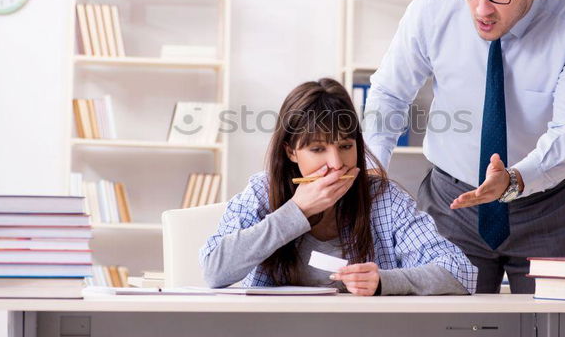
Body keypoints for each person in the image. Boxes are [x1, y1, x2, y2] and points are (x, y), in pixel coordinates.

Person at [362, 0, 565, 296]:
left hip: (547, 209)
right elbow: (389, 93)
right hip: (452, 206)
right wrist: (373, 170)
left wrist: (512, 180)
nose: (482, 9)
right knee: (443, 334)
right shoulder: (433, 6)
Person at [199, 78, 477, 295]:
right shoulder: (262, 192)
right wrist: (295, 211)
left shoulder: (383, 198)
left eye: (345, 146)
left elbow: (461, 273)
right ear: (291, 152)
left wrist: (384, 281)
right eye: (318, 149)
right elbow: (214, 270)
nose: (336, 163)